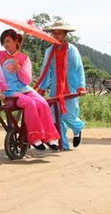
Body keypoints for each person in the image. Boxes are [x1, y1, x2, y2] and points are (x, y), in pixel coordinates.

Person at [0, 29, 60, 150]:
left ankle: (49, 138)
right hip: (10, 92)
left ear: (16, 41)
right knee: (30, 104)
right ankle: (35, 138)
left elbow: (27, 81)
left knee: (43, 103)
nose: (5, 44)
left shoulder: (24, 58)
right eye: (3, 42)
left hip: (25, 89)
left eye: (8, 41)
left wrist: (19, 68)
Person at [36, 22, 87, 151]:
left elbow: (79, 68)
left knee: (68, 116)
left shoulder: (72, 50)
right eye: (54, 33)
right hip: (55, 89)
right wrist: (42, 88)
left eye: (59, 33)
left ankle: (77, 128)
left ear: (65, 34)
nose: (56, 35)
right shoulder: (49, 51)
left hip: (71, 87)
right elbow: (45, 70)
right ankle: (63, 144)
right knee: (57, 118)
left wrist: (81, 86)